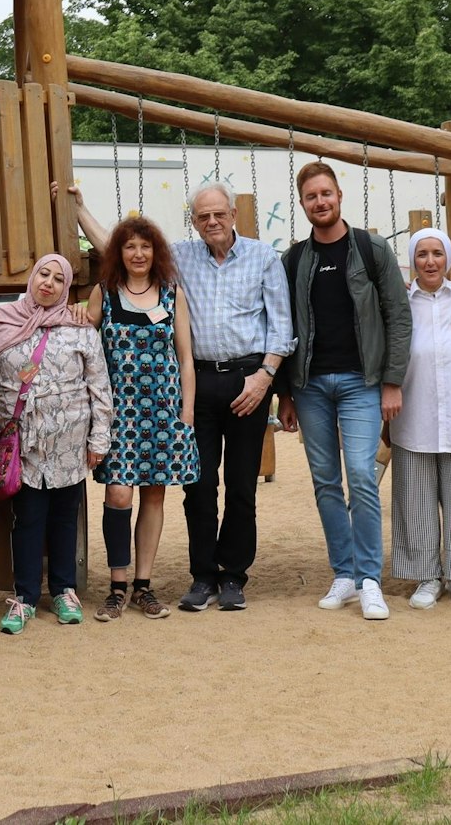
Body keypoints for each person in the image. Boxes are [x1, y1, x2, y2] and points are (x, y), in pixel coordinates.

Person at [65, 180, 290, 614]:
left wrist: (265, 377)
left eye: (218, 214)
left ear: (233, 214)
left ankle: (233, 577)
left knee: (242, 485)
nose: (212, 222)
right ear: (194, 222)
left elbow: (280, 323)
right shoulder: (180, 257)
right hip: (190, 386)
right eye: (203, 216)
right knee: (199, 486)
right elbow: (121, 245)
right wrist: (79, 209)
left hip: (245, 381)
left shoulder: (261, 257)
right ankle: (202, 575)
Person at [279, 162, 411, 622]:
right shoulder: (294, 260)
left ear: (339, 196)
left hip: (362, 382)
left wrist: (392, 380)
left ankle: (370, 578)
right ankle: (344, 574)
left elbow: (398, 315)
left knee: (360, 472)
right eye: (311, 196)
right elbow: (281, 327)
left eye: (326, 194)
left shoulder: (371, 250)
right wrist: (285, 394)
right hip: (310, 383)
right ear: (303, 203)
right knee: (325, 481)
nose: (320, 202)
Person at [0, 252, 112, 633]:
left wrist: (99, 438)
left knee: (66, 517)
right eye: (43, 275)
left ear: (66, 288)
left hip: (69, 443)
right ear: (32, 278)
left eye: (57, 279)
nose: (48, 283)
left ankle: (64, 590)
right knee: (28, 519)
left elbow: (99, 387)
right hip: (24, 446)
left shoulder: (81, 329)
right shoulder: (2, 322)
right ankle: (25, 596)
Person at [81, 216, 196, 621]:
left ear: (156, 252)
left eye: (145, 246)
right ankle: (116, 585)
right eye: (129, 246)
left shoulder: (171, 293)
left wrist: (187, 411)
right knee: (118, 494)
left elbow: (185, 357)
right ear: (118, 253)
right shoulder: (105, 293)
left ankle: (143, 586)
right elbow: (81, 337)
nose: (138, 254)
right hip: (119, 414)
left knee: (154, 494)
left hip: (163, 410)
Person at [385, 229, 451, 609]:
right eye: (422, 254)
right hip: (414, 415)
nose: (430, 261)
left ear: (448, 258)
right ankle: (426, 576)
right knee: (416, 500)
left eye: (437, 254)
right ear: (412, 259)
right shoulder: (400, 302)